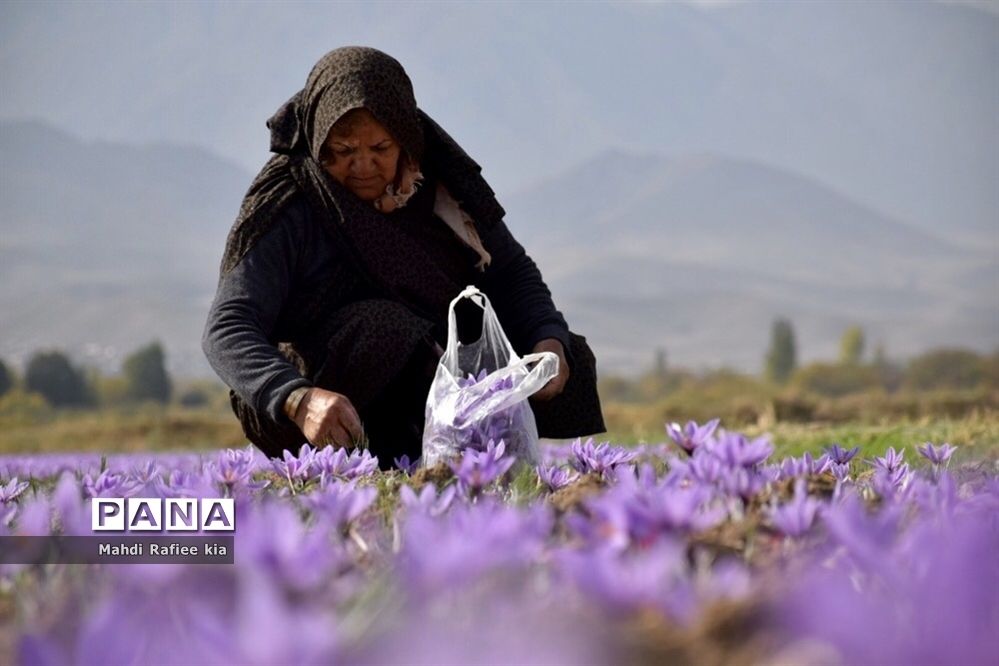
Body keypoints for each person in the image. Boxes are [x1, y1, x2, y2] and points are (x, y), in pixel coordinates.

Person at [202, 46, 604, 466]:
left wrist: (548, 340)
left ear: (406, 141)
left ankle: (464, 461)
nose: (362, 166)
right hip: (308, 398)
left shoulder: (441, 188)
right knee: (387, 327)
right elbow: (228, 327)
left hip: (429, 373)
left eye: (380, 148)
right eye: (342, 151)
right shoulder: (292, 205)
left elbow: (512, 273)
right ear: (319, 144)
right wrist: (296, 398)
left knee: (534, 344)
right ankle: (401, 463)